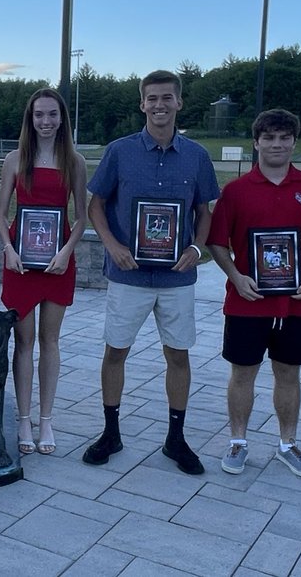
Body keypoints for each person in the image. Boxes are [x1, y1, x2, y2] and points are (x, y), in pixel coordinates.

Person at [82, 69, 219, 474]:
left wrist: (197, 247)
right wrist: (112, 245)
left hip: (177, 276)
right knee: (116, 352)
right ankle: (111, 432)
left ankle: (175, 439)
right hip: (129, 274)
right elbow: (95, 205)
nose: (159, 105)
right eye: (152, 98)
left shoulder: (196, 156)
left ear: (179, 102)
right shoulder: (120, 151)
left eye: (167, 98)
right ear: (142, 103)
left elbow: (204, 211)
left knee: (178, 355)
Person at [206, 109, 301, 479]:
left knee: (289, 375)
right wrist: (235, 276)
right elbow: (216, 243)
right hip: (247, 303)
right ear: (257, 142)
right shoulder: (234, 191)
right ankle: (238, 441)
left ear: (294, 142)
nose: (276, 144)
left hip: (296, 304)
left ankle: (287, 444)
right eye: (269, 138)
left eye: (284, 138)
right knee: (242, 374)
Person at [0, 88, 87, 456]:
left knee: (50, 341)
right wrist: (7, 249)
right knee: (23, 341)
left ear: (62, 118)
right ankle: (23, 418)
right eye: (39, 115)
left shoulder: (75, 161)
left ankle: (46, 418)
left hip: (58, 261)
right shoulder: (15, 159)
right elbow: (1, 214)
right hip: (20, 260)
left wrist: (67, 250)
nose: (45, 121)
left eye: (52, 115)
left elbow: (81, 216)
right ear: (29, 119)